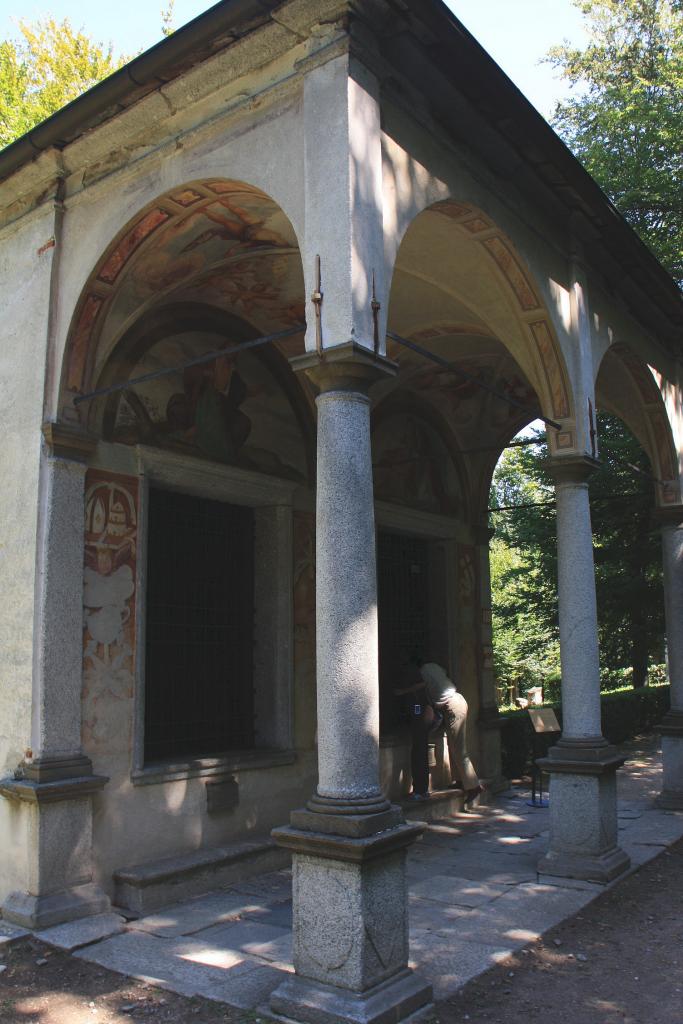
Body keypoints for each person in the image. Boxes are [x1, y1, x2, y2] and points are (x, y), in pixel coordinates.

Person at [419, 661, 484, 806]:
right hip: (457, 700)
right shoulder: (434, 666)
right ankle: (461, 781)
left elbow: (420, 687)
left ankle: (474, 786)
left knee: (459, 749)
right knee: (453, 746)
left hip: (452, 706)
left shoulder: (421, 673)